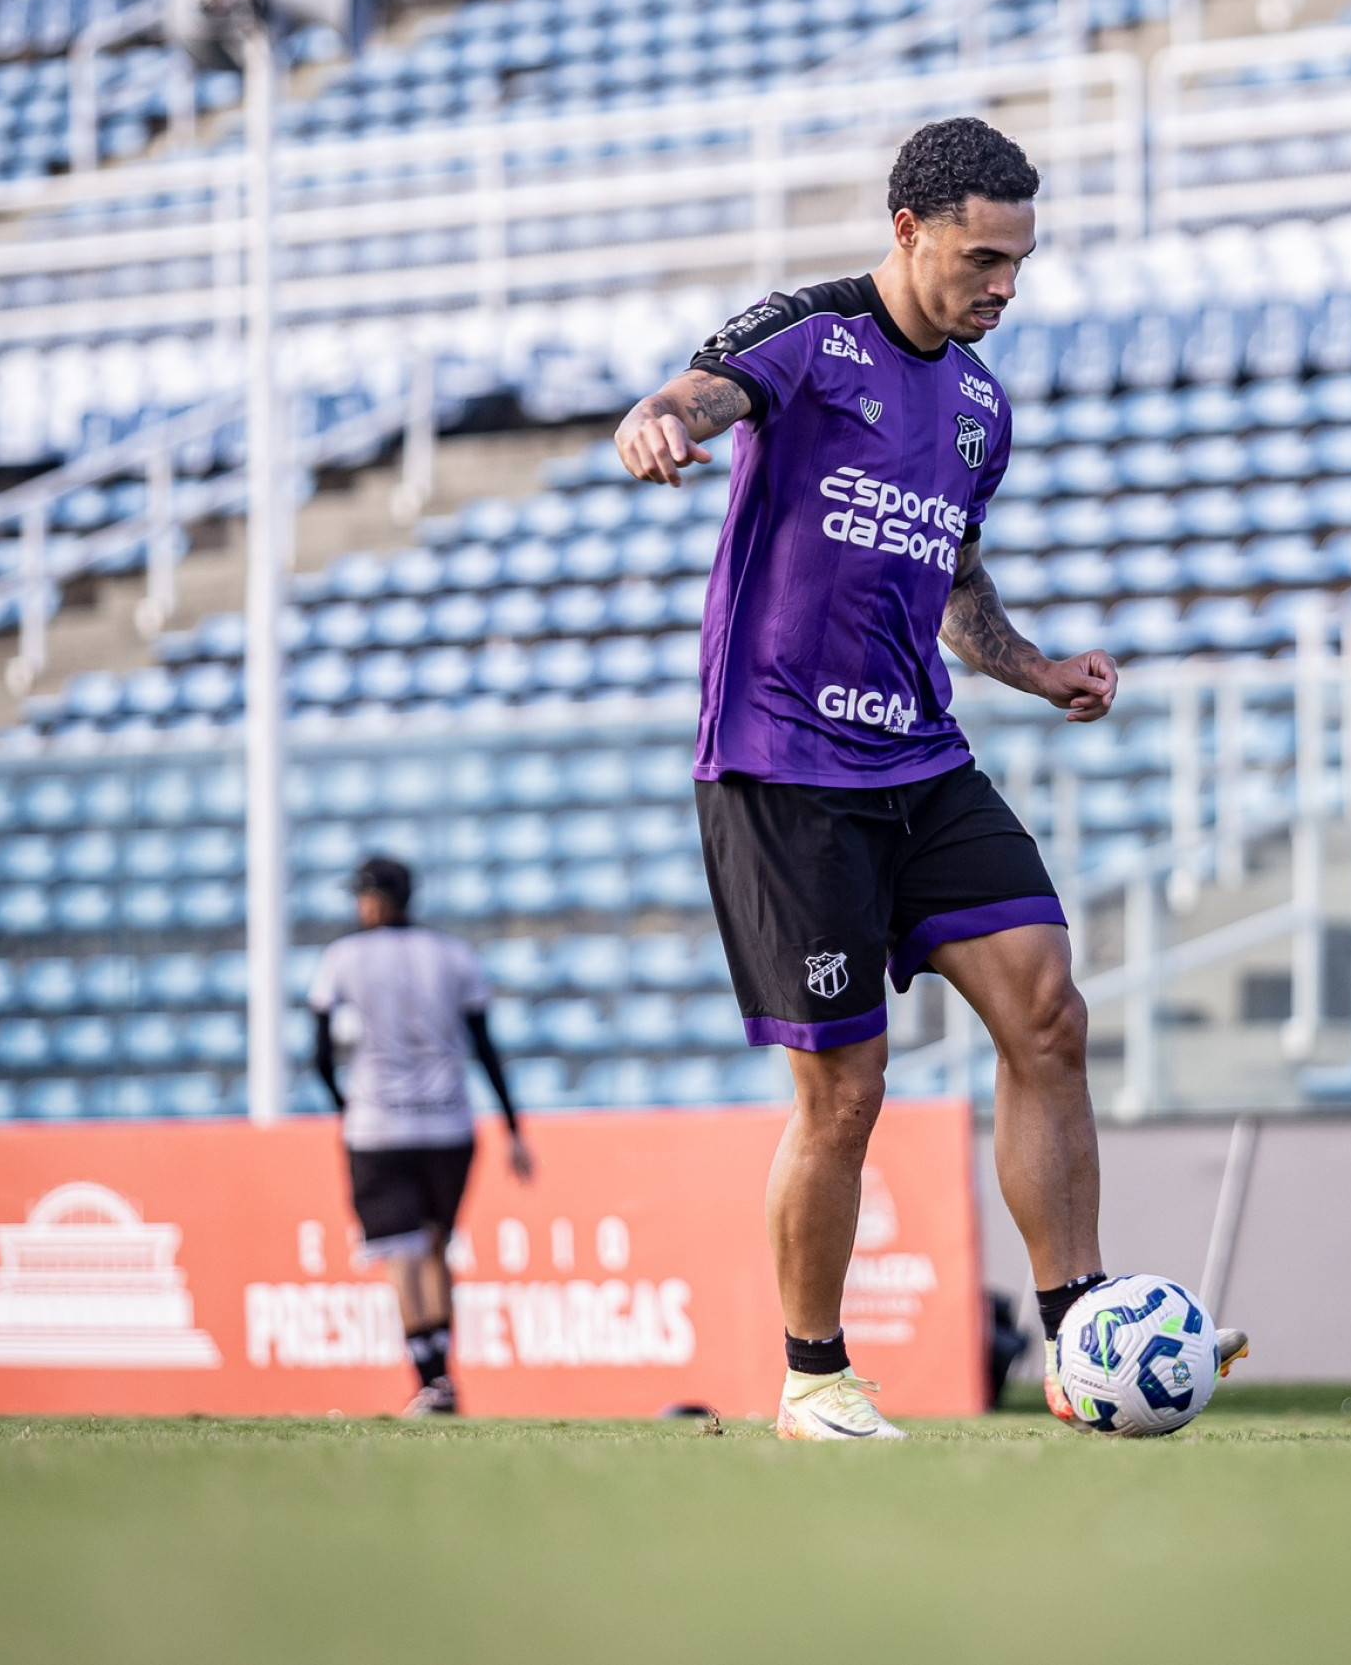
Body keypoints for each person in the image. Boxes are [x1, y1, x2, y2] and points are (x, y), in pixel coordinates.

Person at [615, 116, 1245, 1438]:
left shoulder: (977, 409)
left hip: (922, 755)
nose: (1005, 285)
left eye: (1020, 261)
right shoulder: (810, 335)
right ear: (910, 234)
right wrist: (659, 420)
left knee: (1051, 1015)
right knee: (846, 1090)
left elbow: (957, 593)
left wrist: (1038, 668)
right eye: (984, 258)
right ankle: (813, 1376)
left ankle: (1078, 1333)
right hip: (784, 768)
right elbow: (701, 392)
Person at [310, 854, 534, 1417]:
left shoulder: (343, 957)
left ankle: (429, 1378)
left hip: (378, 1125)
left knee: (400, 1254)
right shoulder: (454, 955)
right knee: (438, 1245)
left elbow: (317, 1054)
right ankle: (444, 1378)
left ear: (373, 899)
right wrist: (512, 1126)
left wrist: (346, 1107)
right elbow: (485, 1048)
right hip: (448, 1122)